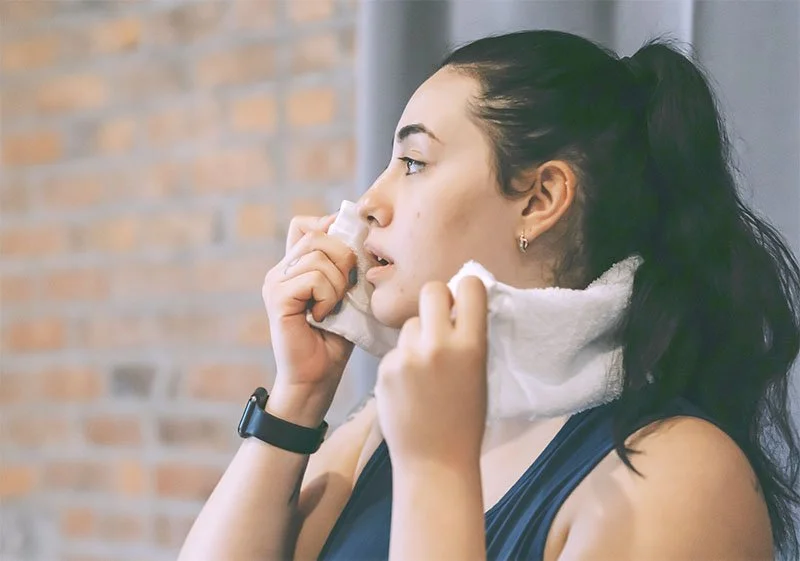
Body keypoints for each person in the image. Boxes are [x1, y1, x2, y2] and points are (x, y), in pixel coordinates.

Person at [178, 30, 800, 561]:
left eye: (414, 162)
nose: (369, 202)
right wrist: (299, 396)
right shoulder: (379, 430)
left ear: (539, 200)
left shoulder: (683, 473)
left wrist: (438, 471)